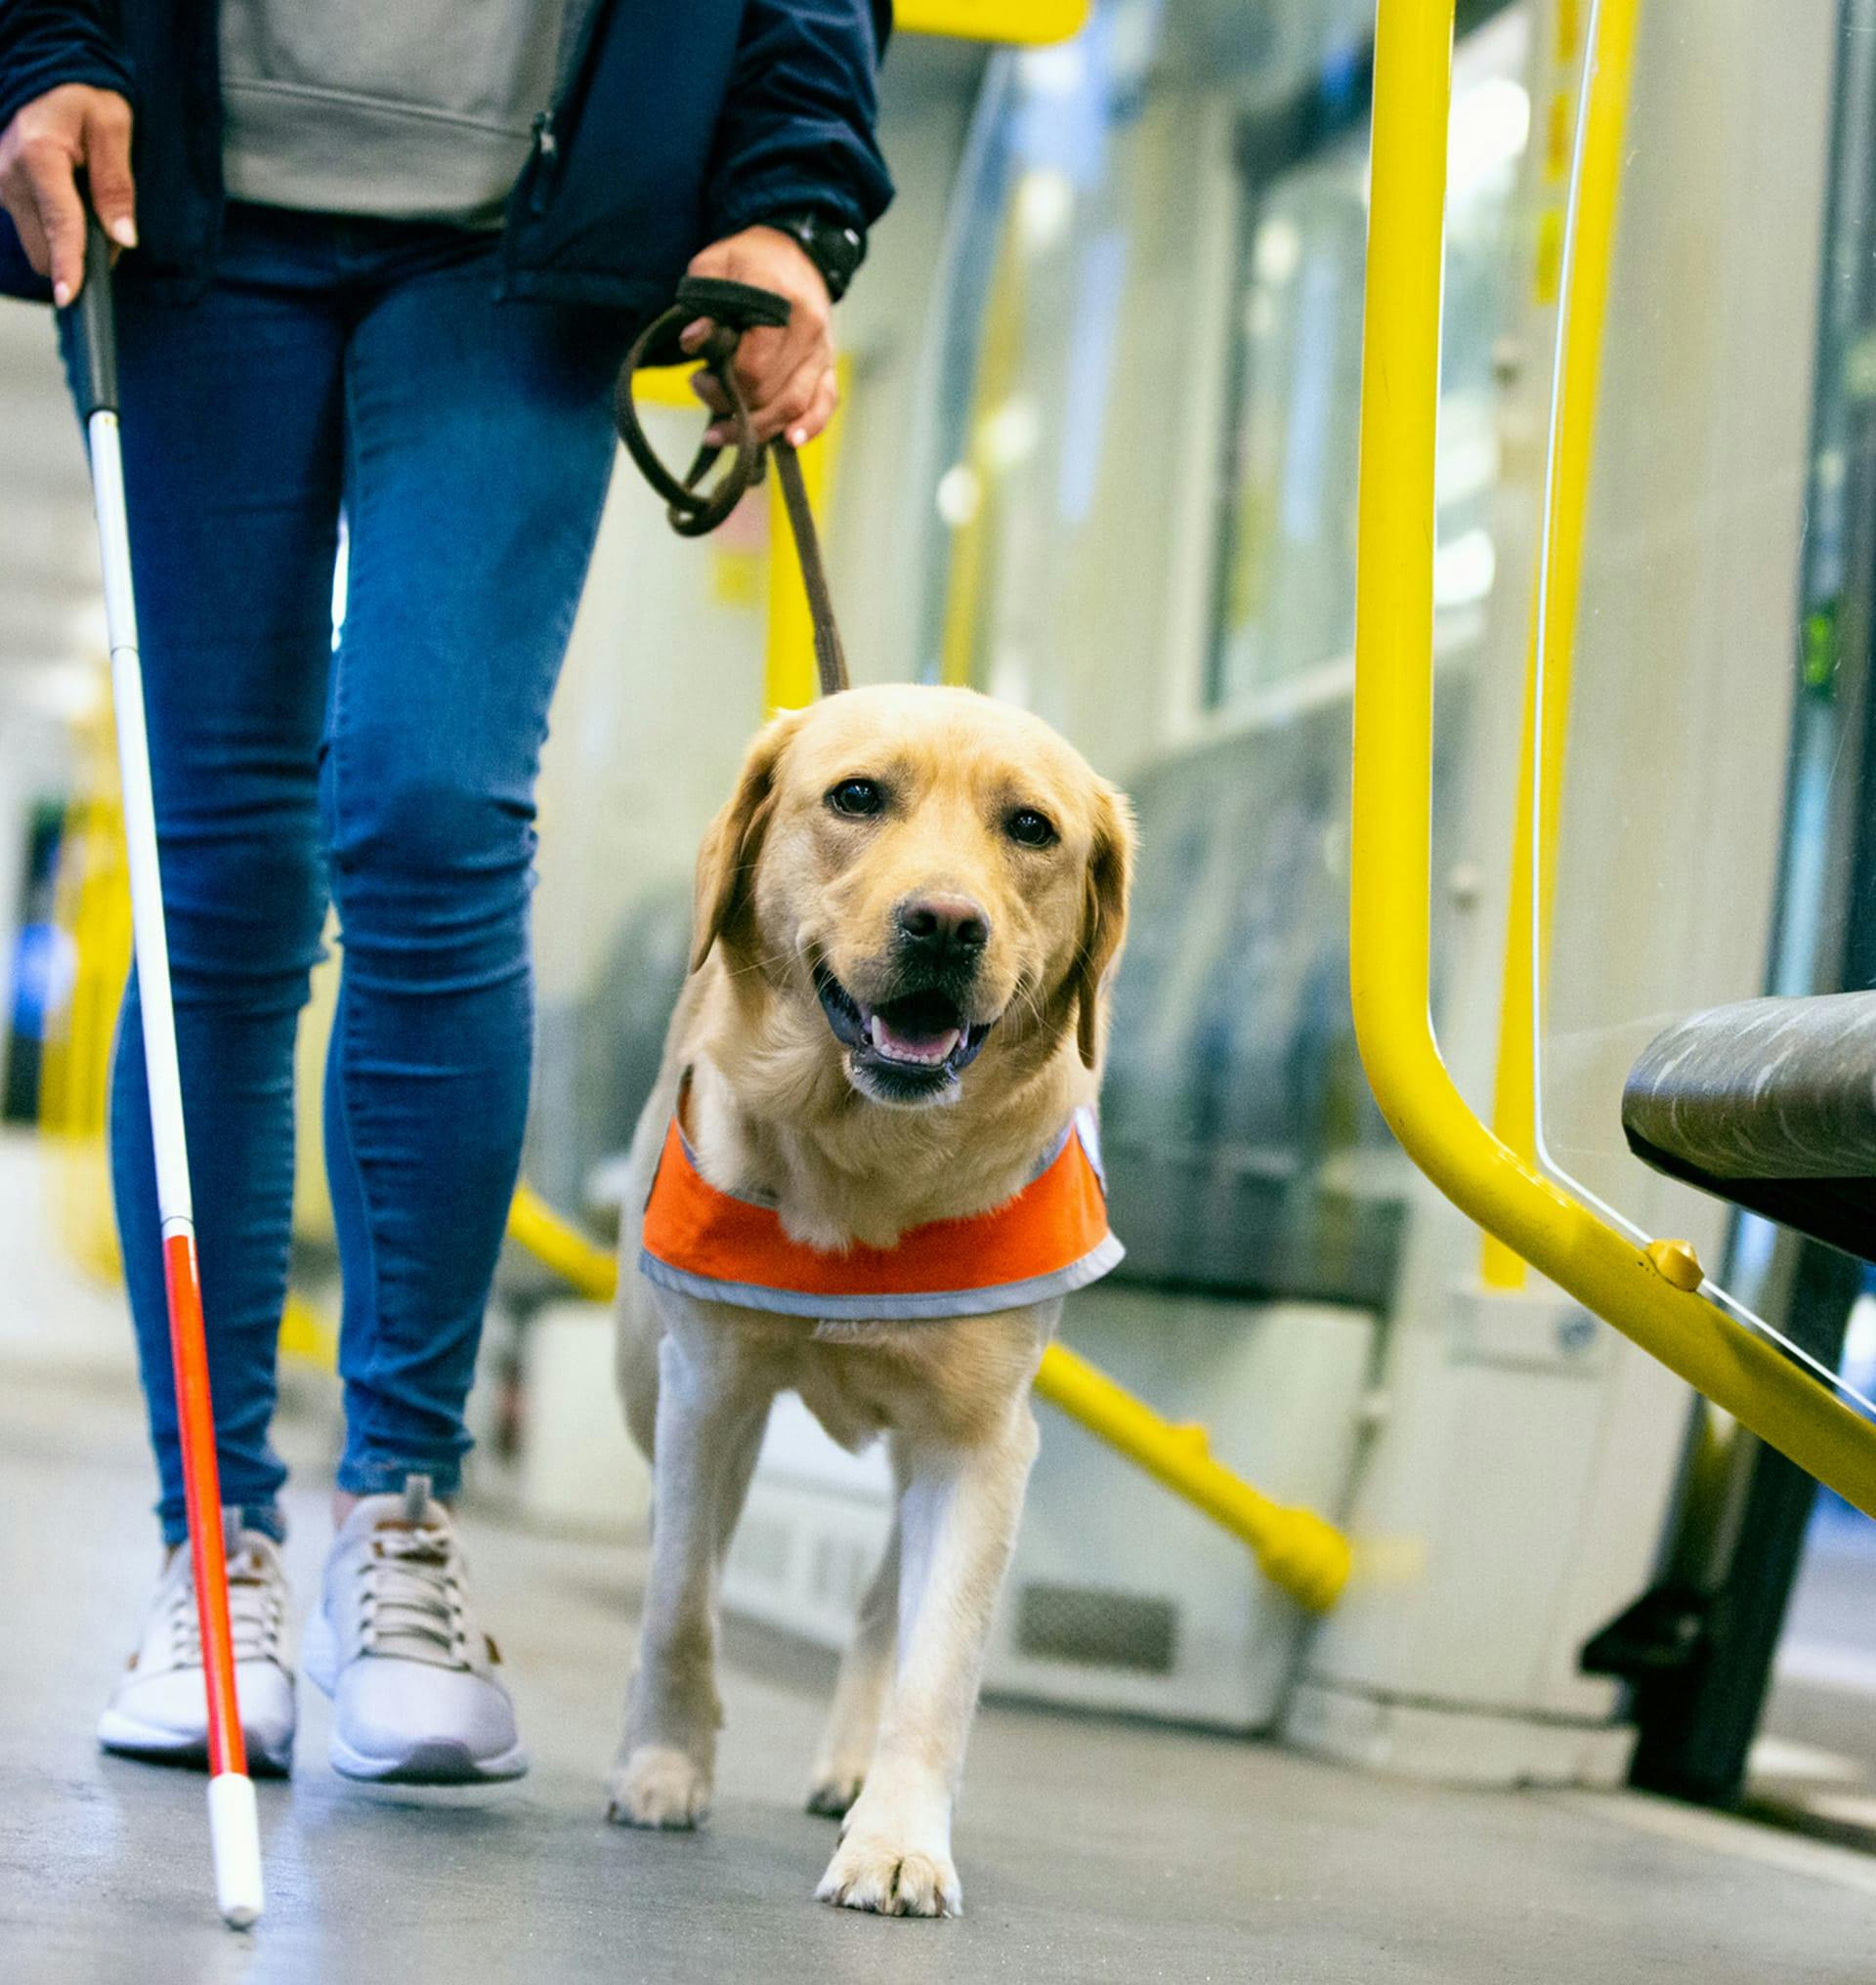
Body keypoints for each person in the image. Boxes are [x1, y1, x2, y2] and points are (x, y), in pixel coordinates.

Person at [0, 0, 890, 1786]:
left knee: (431, 812)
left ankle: (399, 1507)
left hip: (533, 225)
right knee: (217, 868)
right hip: (188, 194)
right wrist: (47, 42)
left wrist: (790, 198)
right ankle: (211, 1551)